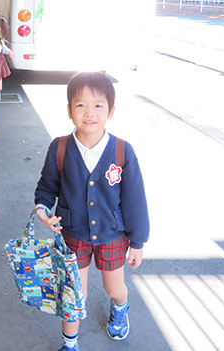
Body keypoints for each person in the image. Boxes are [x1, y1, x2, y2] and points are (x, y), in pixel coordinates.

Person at [34, 72, 149, 351]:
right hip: (72, 234)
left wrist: (137, 242)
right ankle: (70, 344)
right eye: (80, 104)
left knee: (114, 288)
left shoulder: (122, 151)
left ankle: (120, 307)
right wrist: (42, 209)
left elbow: (135, 200)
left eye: (98, 105)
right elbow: (46, 187)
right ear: (69, 110)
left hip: (112, 235)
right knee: (75, 295)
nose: (89, 112)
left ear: (111, 111)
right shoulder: (60, 147)